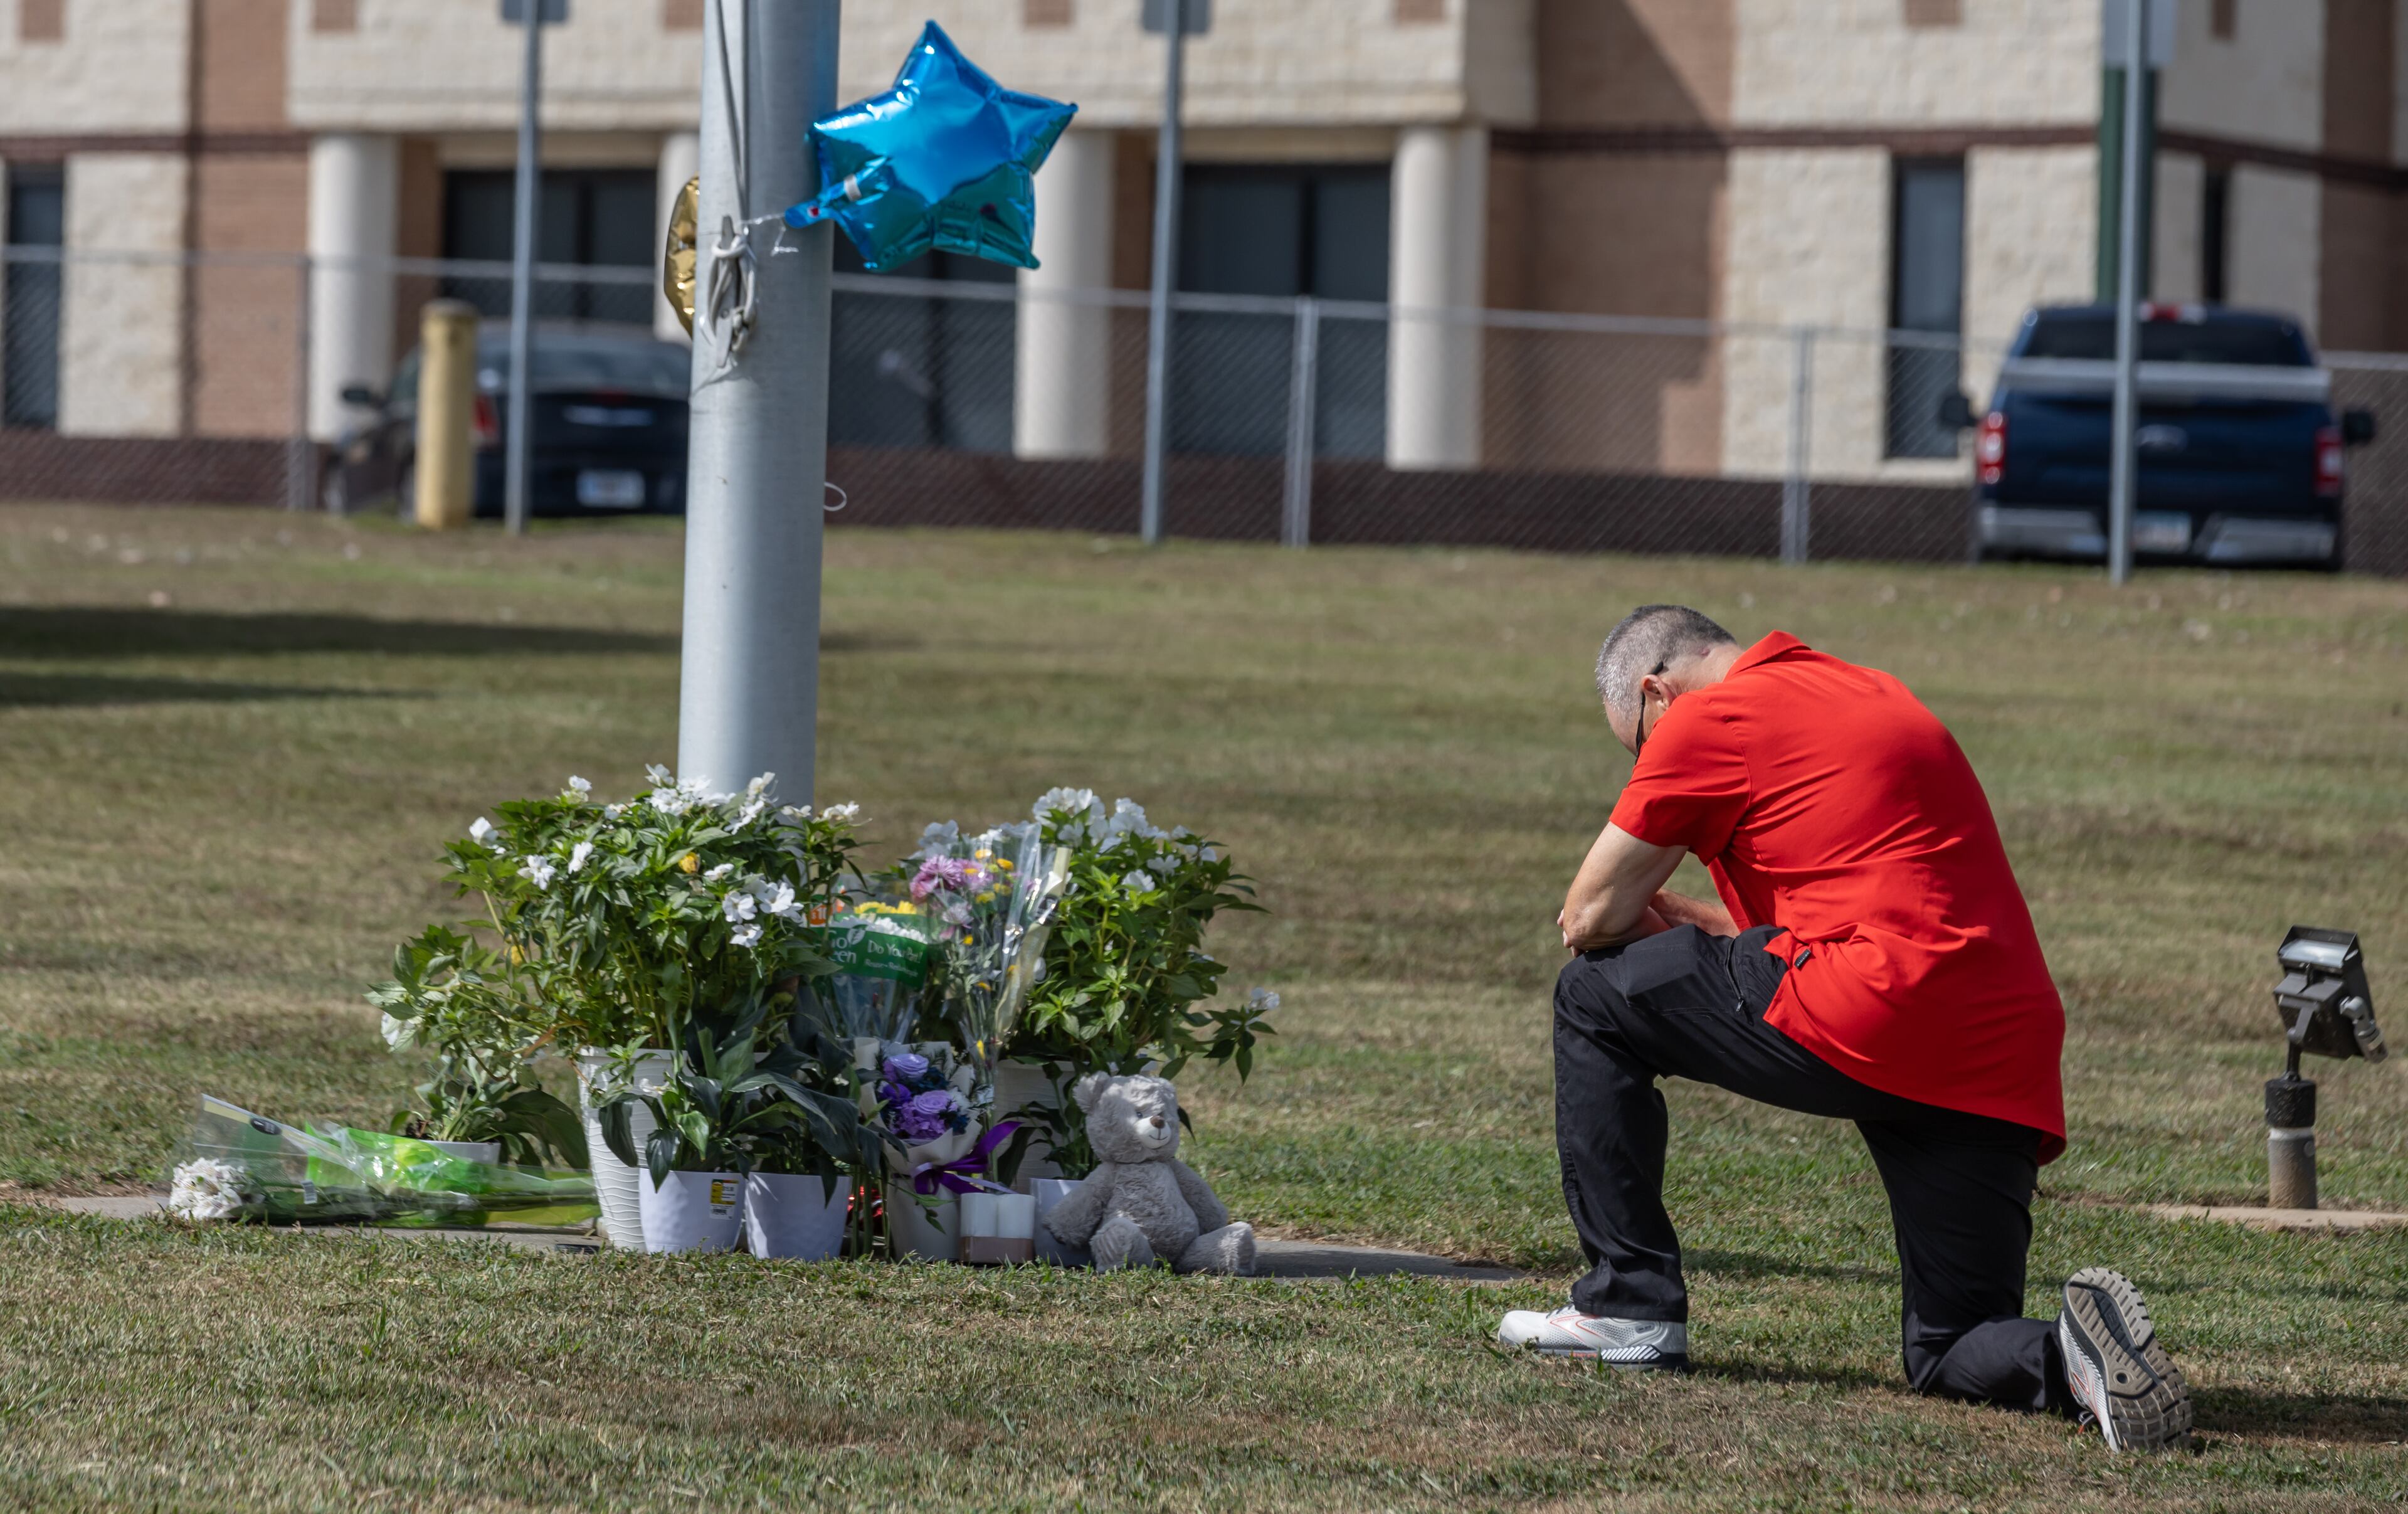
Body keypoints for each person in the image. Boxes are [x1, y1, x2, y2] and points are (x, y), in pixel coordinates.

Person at [1496, 605, 2192, 1452]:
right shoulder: (1862, 688)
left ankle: (1625, 1309)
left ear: (1657, 691)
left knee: (1592, 997)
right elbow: (1796, 927)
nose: (1648, 768)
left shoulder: (1711, 716)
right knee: (1948, 1346)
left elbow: (1589, 915)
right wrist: (1677, 916)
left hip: (1875, 998)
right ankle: (2072, 1354)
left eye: (1639, 746)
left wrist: (1630, 913)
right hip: (1999, 1044)